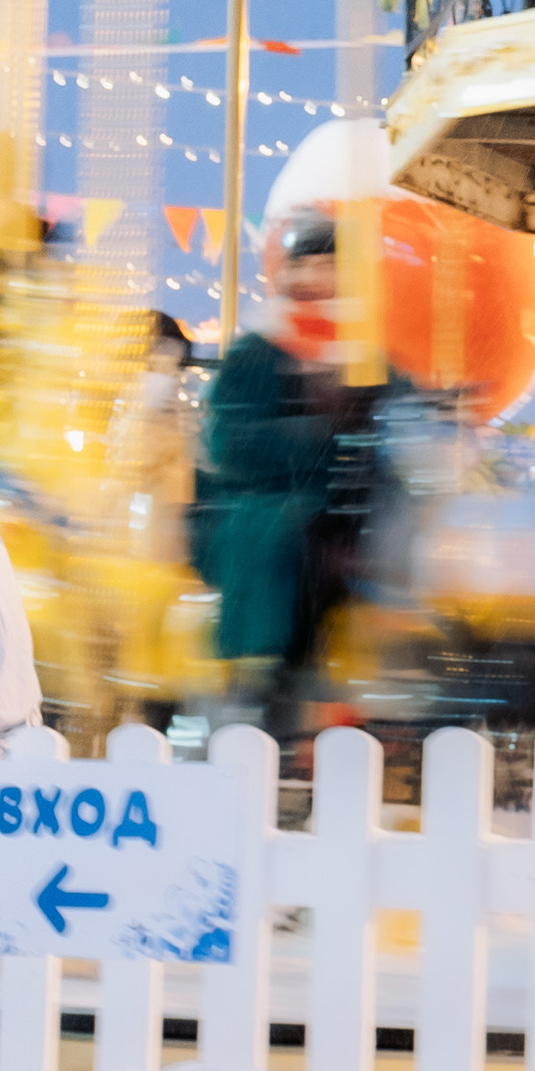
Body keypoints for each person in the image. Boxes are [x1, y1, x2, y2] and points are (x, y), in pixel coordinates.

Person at [192, 214, 385, 741]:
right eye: (311, 264)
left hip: (348, 513)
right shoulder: (259, 351)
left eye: (332, 265)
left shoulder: (365, 352)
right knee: (292, 545)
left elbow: (394, 419)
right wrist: (319, 433)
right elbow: (229, 445)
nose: (320, 277)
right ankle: (272, 691)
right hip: (269, 509)